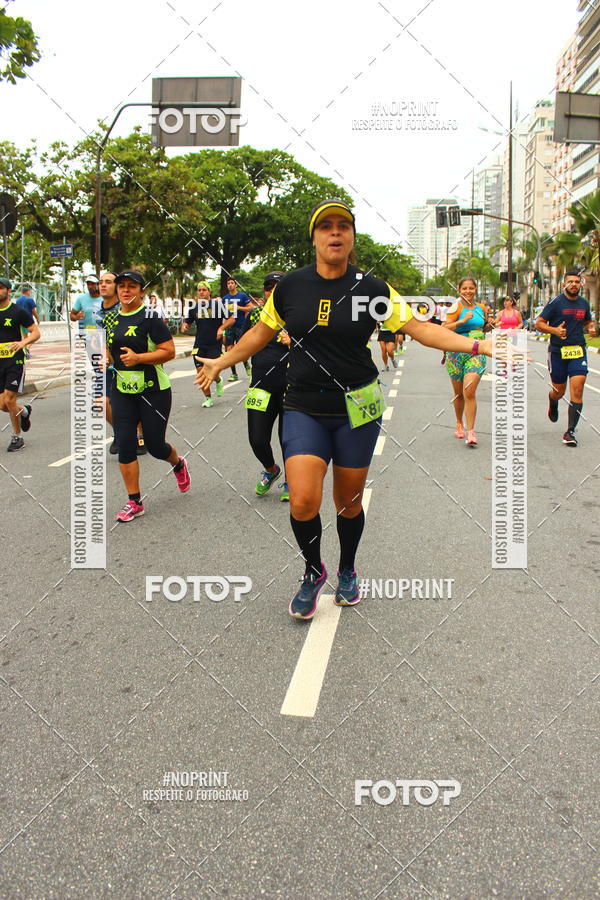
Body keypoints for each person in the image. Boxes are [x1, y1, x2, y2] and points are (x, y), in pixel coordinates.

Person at [195, 199, 502, 621]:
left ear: (352, 236)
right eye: (326, 227)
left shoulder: (373, 289)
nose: (335, 233)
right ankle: (312, 571)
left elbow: (420, 328)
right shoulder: (290, 288)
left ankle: (347, 568)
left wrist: (478, 344)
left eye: (343, 226)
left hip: (357, 405)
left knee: (347, 502)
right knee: (303, 500)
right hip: (303, 403)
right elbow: (259, 333)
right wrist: (220, 362)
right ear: (315, 238)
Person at [103, 270, 190, 522]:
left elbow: (169, 351)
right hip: (122, 390)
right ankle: (134, 501)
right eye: (122, 286)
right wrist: (104, 360)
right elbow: (111, 351)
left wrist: (139, 358)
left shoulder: (150, 317)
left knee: (155, 446)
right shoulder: (109, 319)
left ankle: (178, 463)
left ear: (141, 291)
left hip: (154, 390)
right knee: (125, 443)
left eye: (132, 286)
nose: (126, 290)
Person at [239, 271, 290, 500]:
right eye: (268, 287)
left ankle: (292, 480)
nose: (272, 291)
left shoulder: (297, 314)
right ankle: (271, 471)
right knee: (257, 439)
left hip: (291, 387)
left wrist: (295, 342)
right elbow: (245, 342)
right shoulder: (256, 314)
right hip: (260, 385)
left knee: (288, 439)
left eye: (277, 287)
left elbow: (317, 350)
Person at [536, 270, 597, 447]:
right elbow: (539, 323)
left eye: (577, 282)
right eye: (570, 282)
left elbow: (587, 321)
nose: (574, 285)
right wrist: (554, 331)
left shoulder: (584, 303)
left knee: (577, 389)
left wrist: (591, 327)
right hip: (557, 352)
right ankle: (553, 400)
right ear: (564, 284)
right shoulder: (555, 303)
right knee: (559, 391)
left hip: (578, 350)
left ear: (581, 284)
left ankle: (570, 431)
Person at [442, 276, 488, 446]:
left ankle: (471, 431)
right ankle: (459, 422)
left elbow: (483, 327)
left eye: (471, 288)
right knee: (459, 393)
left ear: (476, 289)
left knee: (469, 391)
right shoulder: (456, 306)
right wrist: (462, 321)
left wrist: (489, 325)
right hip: (456, 353)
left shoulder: (481, 308)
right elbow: (444, 328)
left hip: (476, 352)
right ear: (459, 290)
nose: (468, 291)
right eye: (464, 288)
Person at [0, 277, 40, 451]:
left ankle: (17, 437)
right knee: (3, 405)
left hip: (14, 361)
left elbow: (35, 332)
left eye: (1, 288)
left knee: (9, 399)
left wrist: (23, 343)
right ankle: (23, 411)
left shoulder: (18, 311)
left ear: (9, 291)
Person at [181, 281, 229, 408]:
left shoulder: (218, 305)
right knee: (200, 371)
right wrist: (184, 326)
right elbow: (188, 322)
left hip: (214, 344)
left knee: (213, 370)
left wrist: (221, 328)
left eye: (204, 290)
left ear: (209, 291)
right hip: (199, 344)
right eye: (199, 290)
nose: (201, 292)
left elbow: (232, 319)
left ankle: (218, 380)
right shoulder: (194, 308)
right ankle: (208, 398)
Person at [221, 277, 253, 381]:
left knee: (241, 349)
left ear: (236, 285)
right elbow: (220, 311)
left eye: (232, 283)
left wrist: (239, 308)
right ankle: (234, 373)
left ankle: (246, 365)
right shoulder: (225, 298)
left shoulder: (242, 296)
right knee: (230, 351)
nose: (230, 285)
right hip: (230, 327)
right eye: (228, 283)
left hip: (241, 326)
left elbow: (251, 307)